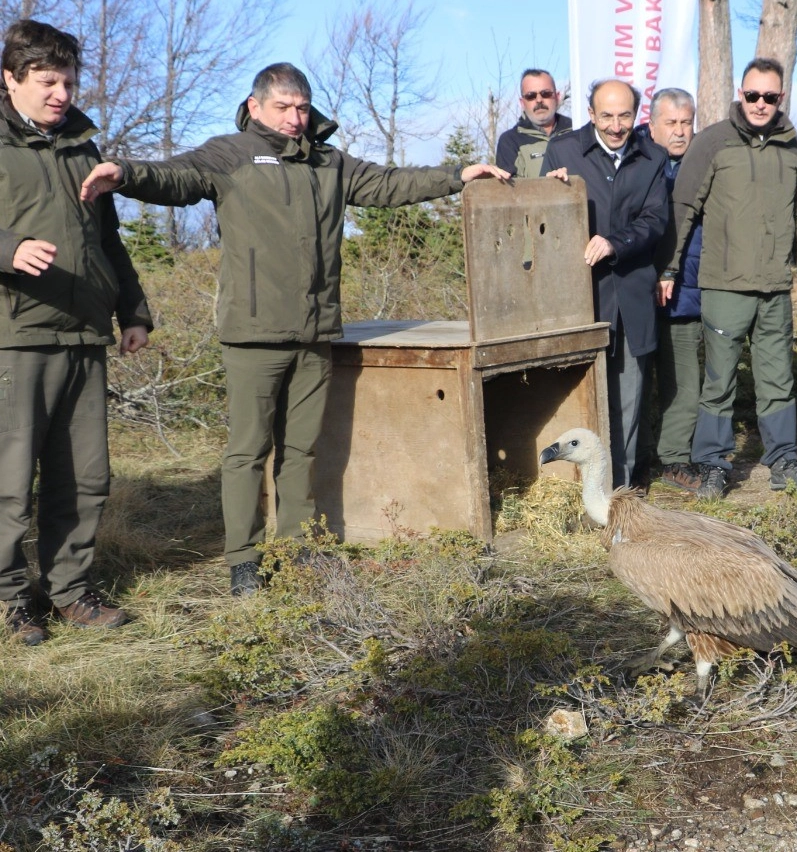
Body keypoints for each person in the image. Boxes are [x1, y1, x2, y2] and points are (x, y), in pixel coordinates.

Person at [80, 63, 508, 596]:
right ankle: (244, 561)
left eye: (301, 107)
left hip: (315, 332)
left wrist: (456, 174)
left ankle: (297, 550)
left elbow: (390, 183)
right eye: (282, 107)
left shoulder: (328, 162)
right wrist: (123, 172)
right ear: (256, 107)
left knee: (302, 449)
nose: (294, 118)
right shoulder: (230, 154)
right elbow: (175, 175)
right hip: (253, 334)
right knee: (247, 451)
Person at [1, 20, 153, 645]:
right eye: (46, 81)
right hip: (14, 336)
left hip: (84, 335)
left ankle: (69, 590)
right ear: (9, 79)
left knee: (84, 476)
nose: (60, 93)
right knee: (8, 481)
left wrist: (134, 310)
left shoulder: (85, 148)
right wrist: (7, 249)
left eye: (67, 81)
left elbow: (107, 241)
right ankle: (10, 601)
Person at [670, 57, 797, 499]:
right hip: (724, 284)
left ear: (781, 97)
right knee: (719, 381)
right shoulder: (713, 142)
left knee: (779, 379)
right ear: (740, 94)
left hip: (775, 287)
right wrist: (669, 268)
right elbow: (684, 209)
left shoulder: (792, 146)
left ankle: (784, 461)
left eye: (770, 96)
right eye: (752, 94)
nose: (760, 103)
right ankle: (713, 465)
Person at [543, 79, 669, 489]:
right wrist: (551, 192)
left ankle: (620, 495)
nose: (617, 126)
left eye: (625, 115)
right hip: (581, 299)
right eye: (608, 115)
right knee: (578, 397)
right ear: (591, 113)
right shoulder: (562, 151)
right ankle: (572, 494)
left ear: (638, 114)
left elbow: (655, 222)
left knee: (628, 400)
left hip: (632, 294)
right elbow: (541, 223)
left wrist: (615, 243)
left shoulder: (654, 157)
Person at [645, 87, 703, 492]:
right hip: (635, 296)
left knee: (684, 381)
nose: (680, 132)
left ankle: (673, 458)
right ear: (652, 126)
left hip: (686, 294)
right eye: (672, 123)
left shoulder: (704, 166)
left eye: (686, 123)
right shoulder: (635, 165)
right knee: (633, 383)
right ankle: (634, 458)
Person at [496, 68, 572, 178]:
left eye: (545, 94)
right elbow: (508, 192)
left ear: (557, 97)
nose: (539, 100)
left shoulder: (577, 131)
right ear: (522, 103)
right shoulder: (509, 142)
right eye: (531, 96)